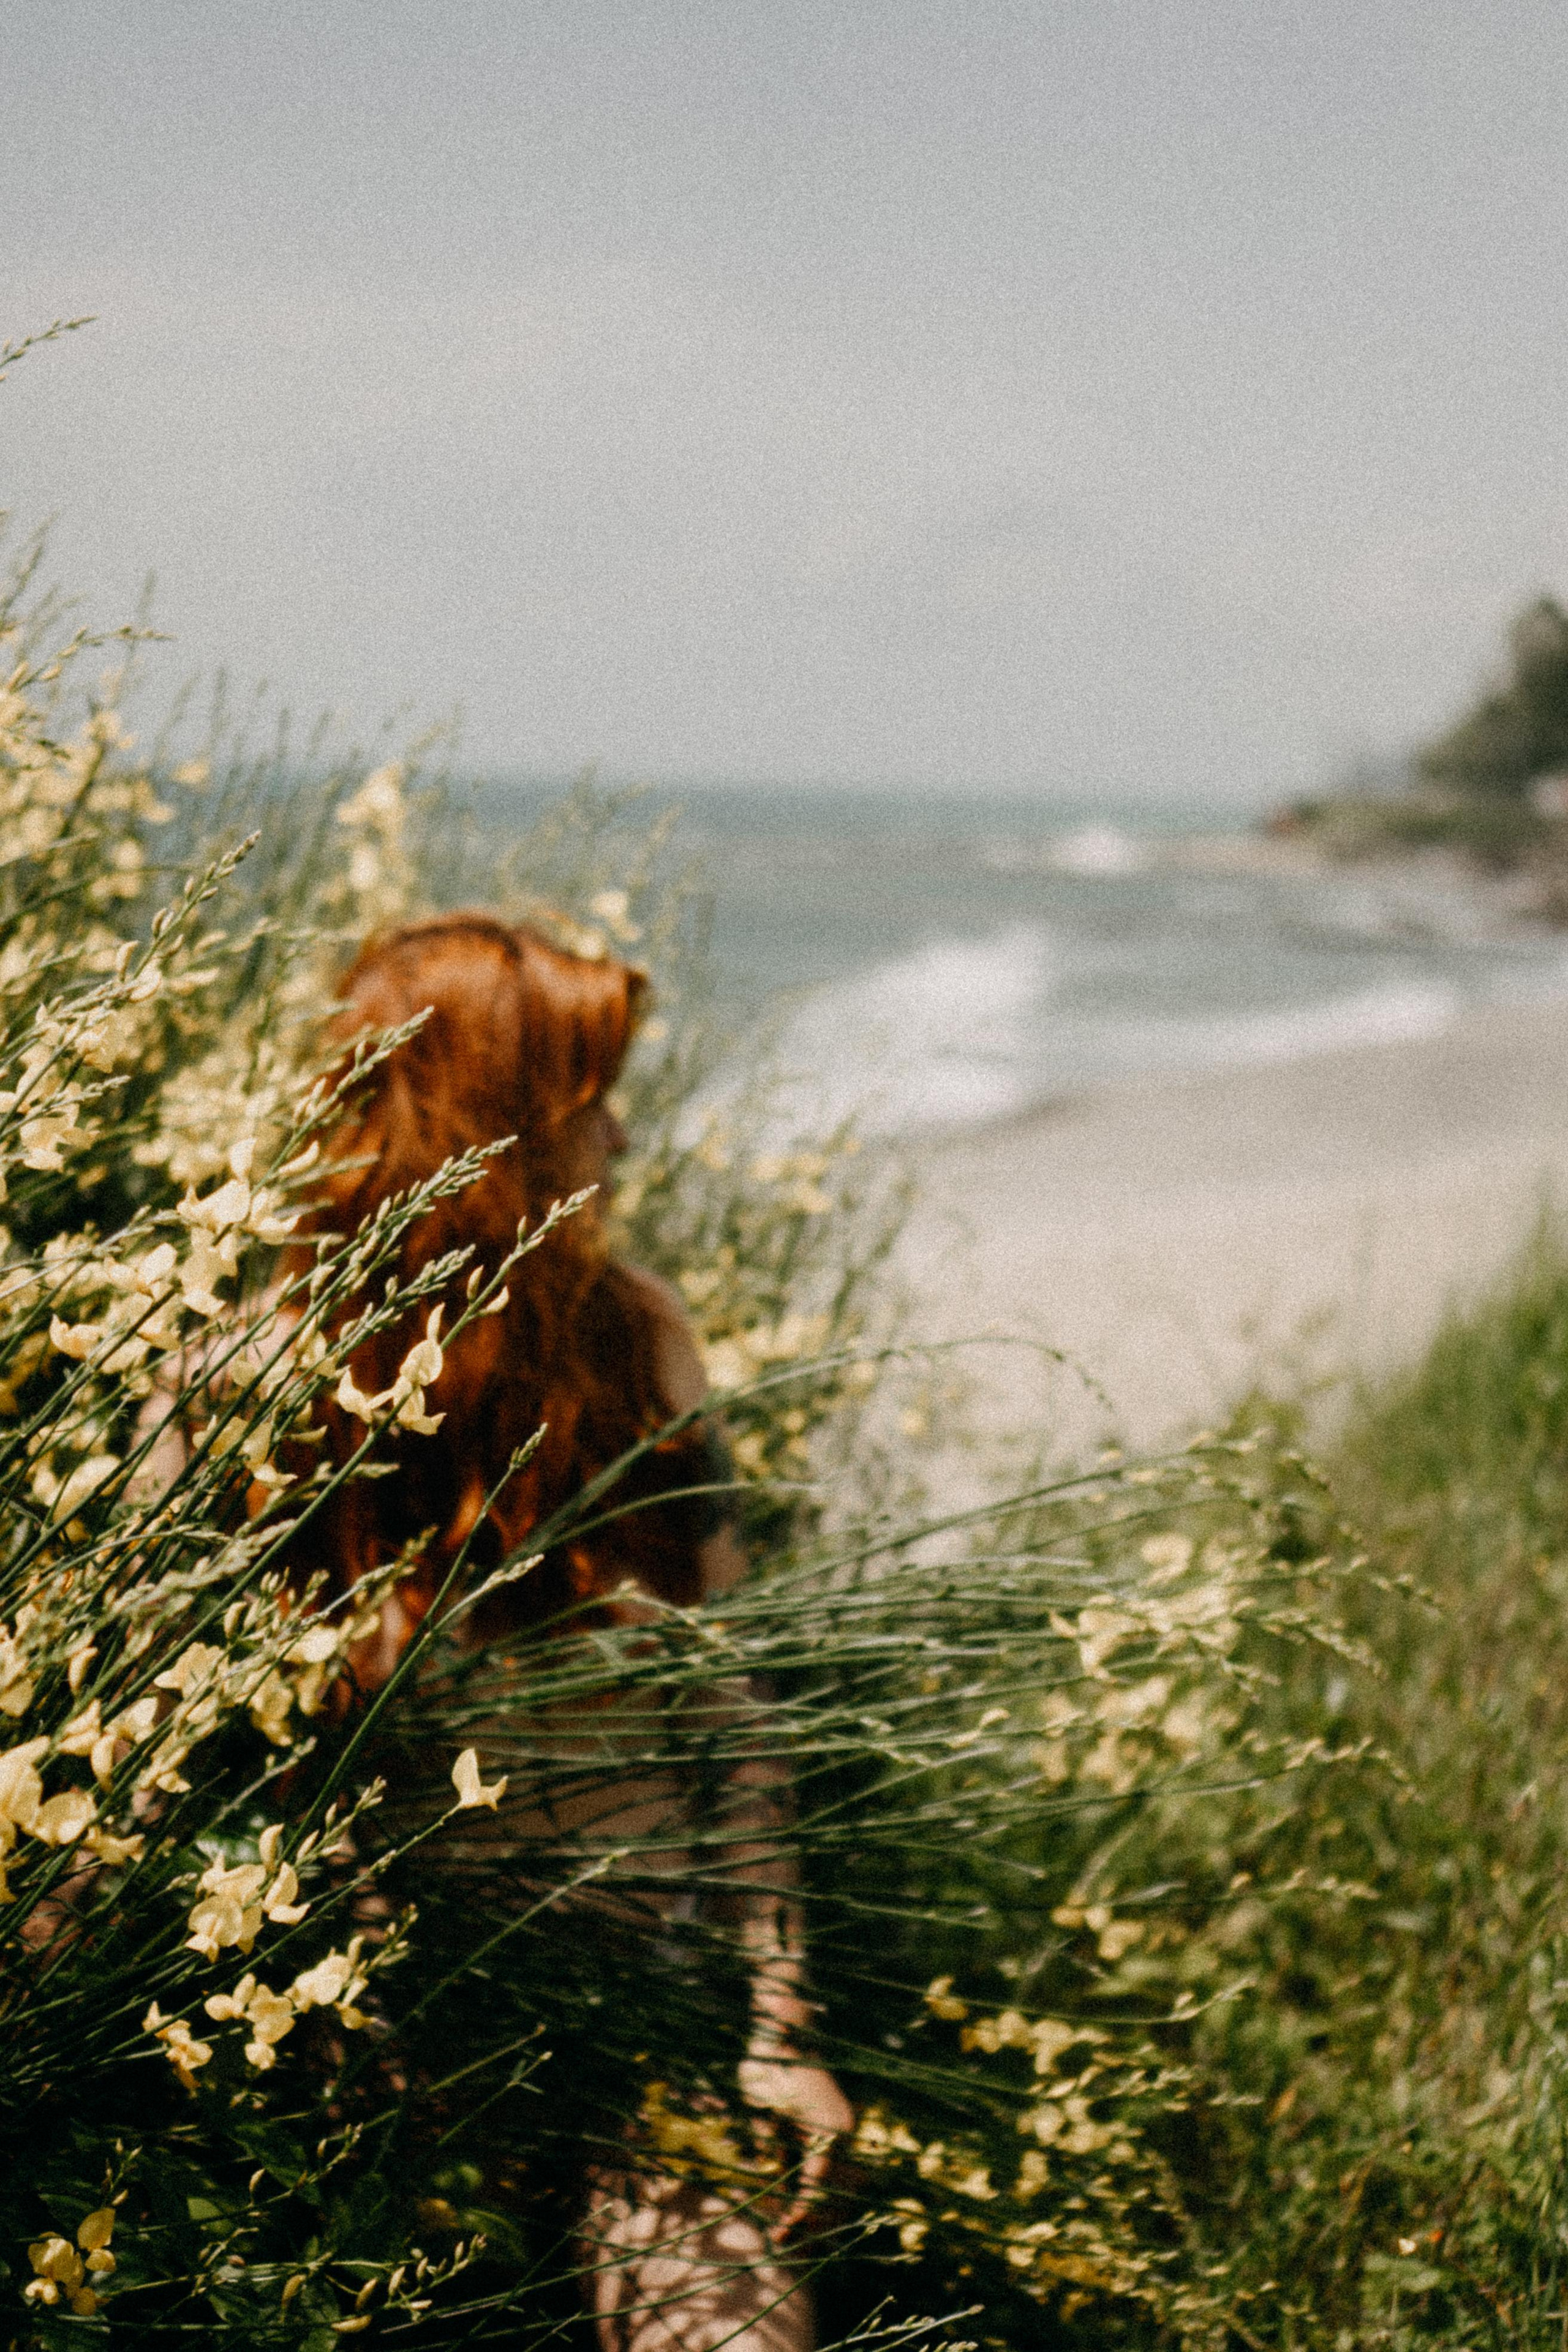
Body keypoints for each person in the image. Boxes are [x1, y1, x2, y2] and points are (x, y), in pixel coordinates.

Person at [309, 912, 853, 2352]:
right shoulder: (270, 1379)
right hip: (371, 2049)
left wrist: (776, 2034)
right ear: (482, 1128)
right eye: (585, 1098)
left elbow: (731, 1707)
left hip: (640, 2039)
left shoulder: (638, 1339)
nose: (620, 1134)